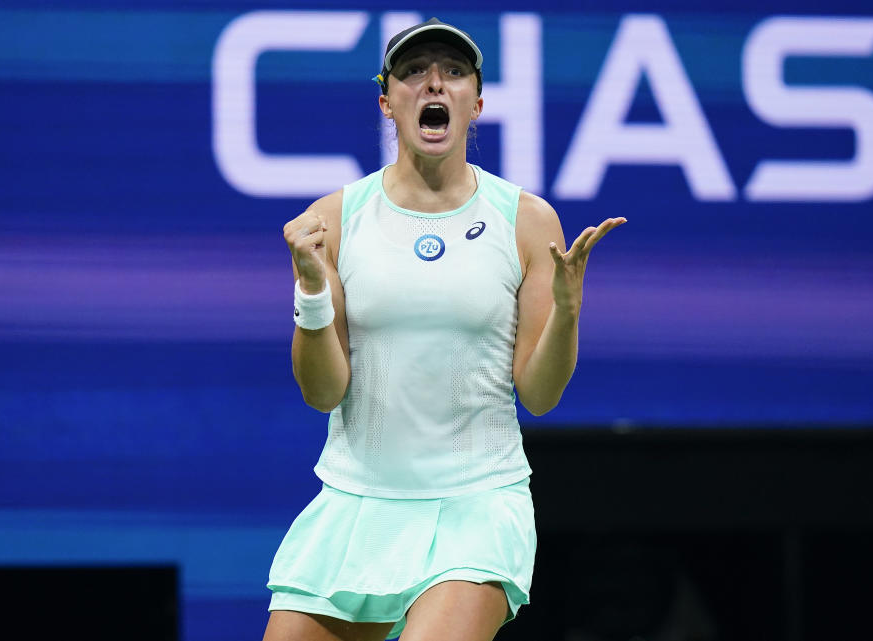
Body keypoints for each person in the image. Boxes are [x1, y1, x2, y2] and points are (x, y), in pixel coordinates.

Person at [266, 17, 626, 641]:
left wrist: (567, 312)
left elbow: (539, 397)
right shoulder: (335, 219)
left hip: (477, 506)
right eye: (414, 72)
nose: (434, 82)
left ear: (476, 103)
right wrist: (312, 293)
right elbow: (322, 393)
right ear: (388, 103)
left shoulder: (526, 220)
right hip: (357, 504)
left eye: (453, 72)